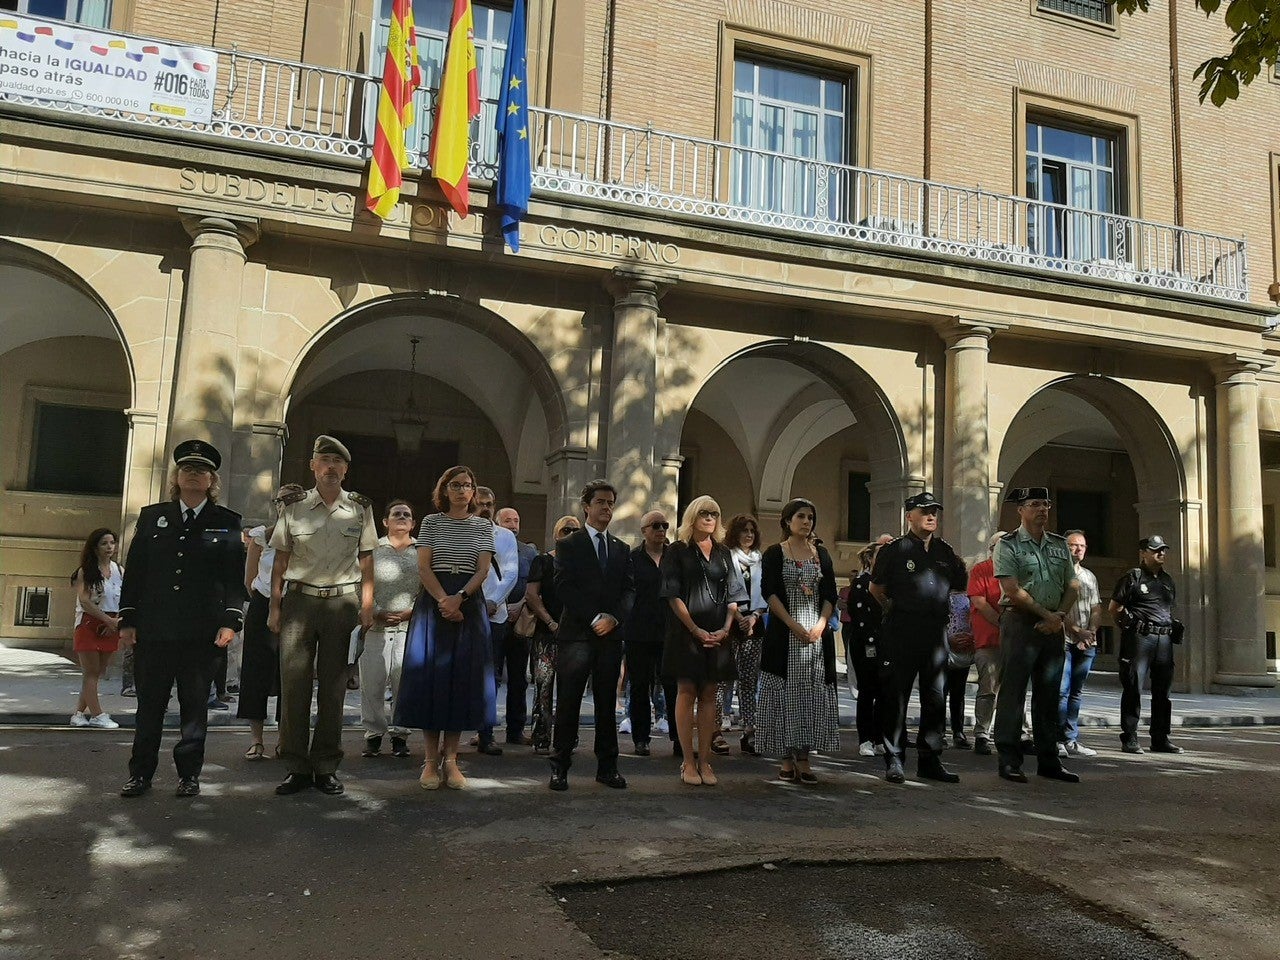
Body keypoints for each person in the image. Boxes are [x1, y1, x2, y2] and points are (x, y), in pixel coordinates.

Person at [118, 440, 246, 798]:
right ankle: (140, 774)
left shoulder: (226, 522)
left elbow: (235, 578)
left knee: (193, 710)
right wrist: (128, 619)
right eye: (187, 469)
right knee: (150, 708)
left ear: (211, 481)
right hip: (155, 630)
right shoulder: (152, 516)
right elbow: (136, 573)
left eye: (201, 470)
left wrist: (231, 621)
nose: (193, 474)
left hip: (201, 633)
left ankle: (189, 775)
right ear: (177, 477)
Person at [269, 435, 377, 797]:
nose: (331, 467)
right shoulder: (294, 508)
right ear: (313, 467)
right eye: (324, 460)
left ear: (346, 469)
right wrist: (274, 605)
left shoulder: (360, 509)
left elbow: (367, 562)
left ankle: (326, 765)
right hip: (299, 602)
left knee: (333, 690)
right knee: (294, 688)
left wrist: (366, 605)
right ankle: (296, 767)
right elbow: (281, 562)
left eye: (337, 462)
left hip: (342, 604)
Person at [395, 466, 497, 790]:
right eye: (455, 484)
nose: (462, 490)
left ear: (473, 490)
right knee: (431, 680)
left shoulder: (483, 526)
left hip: (468, 600)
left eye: (467, 485)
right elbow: (423, 566)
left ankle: (451, 761)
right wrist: (443, 600)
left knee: (460, 680)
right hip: (434, 600)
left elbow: (483, 570)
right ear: (444, 489)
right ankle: (428, 761)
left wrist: (460, 598)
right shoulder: (431, 522)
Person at [870, 492, 968, 785]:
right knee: (896, 695)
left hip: (935, 633)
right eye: (924, 511)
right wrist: (896, 611)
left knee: (936, 697)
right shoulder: (895, 550)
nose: (930, 516)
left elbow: (958, 587)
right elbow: (876, 590)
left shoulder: (945, 552)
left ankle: (930, 759)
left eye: (934, 511)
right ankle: (895, 758)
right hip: (901, 631)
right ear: (908, 515)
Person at [549, 479, 635, 792]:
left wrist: (613, 618)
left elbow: (629, 590)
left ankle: (608, 767)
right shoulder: (569, 544)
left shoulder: (621, 548)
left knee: (605, 703)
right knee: (569, 702)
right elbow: (563, 586)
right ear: (587, 506)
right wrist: (594, 616)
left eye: (611, 502)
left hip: (610, 638)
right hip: (576, 636)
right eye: (601, 502)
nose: (607, 508)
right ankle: (559, 766)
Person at [993, 486, 1080, 784]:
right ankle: (1009, 759)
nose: (1042, 509)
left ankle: (1049, 760)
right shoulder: (1009, 545)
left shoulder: (1059, 545)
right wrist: (1047, 616)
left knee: (1049, 695)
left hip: (1053, 626)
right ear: (1021, 510)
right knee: (1013, 694)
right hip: (1020, 624)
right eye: (1034, 504)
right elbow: (1012, 589)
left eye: (1046, 503)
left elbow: (1073, 585)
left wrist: (1058, 617)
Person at [661, 496, 747, 786]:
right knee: (686, 691)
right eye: (704, 513)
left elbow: (735, 596)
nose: (709, 518)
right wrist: (695, 629)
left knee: (710, 693)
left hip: (718, 632)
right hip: (686, 631)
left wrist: (725, 628)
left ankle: (706, 761)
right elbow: (672, 595)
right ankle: (687, 761)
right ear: (692, 516)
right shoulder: (677, 550)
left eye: (714, 513)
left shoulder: (724, 553)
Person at [757, 498, 840, 784]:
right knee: (784, 694)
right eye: (801, 516)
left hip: (815, 635)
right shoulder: (774, 553)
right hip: (785, 632)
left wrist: (820, 624)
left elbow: (831, 593)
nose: (806, 522)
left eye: (810, 517)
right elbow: (769, 593)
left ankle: (804, 756)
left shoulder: (822, 555)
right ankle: (784, 756)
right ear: (787, 521)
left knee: (810, 694)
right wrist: (792, 625)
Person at [238, 483, 305, 760]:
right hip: (263, 603)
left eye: (292, 500)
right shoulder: (261, 536)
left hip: (297, 604)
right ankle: (256, 739)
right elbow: (248, 578)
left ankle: (284, 738)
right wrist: (267, 602)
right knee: (256, 669)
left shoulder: (308, 536)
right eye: (281, 500)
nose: (285, 504)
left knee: (291, 672)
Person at [1111, 535, 1183, 755]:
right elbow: (1114, 608)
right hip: (1140, 639)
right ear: (1143, 553)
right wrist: (1128, 627)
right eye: (1155, 550)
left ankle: (1160, 738)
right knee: (1133, 687)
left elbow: (1167, 609)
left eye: (1163, 550)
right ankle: (1130, 737)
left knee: (1163, 691)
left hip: (1163, 640)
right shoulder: (1132, 577)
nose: (1161, 553)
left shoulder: (1167, 580)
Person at [359, 499, 419, 759]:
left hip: (409, 626)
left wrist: (412, 613)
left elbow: (427, 587)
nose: (402, 517)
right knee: (371, 684)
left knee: (403, 684)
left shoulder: (422, 550)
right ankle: (373, 735)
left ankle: (400, 735)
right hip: (376, 626)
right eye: (396, 514)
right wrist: (374, 612)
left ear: (413, 523)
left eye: (407, 514)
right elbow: (360, 583)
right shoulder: (372, 549)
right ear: (385, 521)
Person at [525, 515, 580, 753]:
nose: (570, 534)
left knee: (571, 690)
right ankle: (541, 736)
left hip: (575, 636)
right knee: (543, 688)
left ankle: (568, 738)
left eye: (576, 531)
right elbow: (531, 595)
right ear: (557, 534)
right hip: (546, 635)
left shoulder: (584, 565)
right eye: (566, 530)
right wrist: (550, 622)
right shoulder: (542, 561)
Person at [474, 487, 518, 756]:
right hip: (464, 611)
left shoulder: (504, 537)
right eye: (480, 503)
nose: (485, 508)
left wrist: (493, 600)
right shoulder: (462, 531)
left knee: (490, 677)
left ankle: (486, 734)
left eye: (489, 503)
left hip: (494, 614)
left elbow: (511, 573)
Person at [624, 510, 670, 757]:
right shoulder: (632, 559)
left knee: (672, 684)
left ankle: (677, 737)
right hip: (638, 631)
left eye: (664, 525)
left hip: (670, 631)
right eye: (655, 526)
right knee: (640, 687)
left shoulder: (675, 557)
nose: (661, 530)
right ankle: (641, 739)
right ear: (644, 531)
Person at [842, 535, 892, 756]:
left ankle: (880, 737)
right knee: (867, 691)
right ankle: (865, 739)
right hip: (866, 643)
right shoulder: (862, 583)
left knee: (884, 692)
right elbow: (858, 614)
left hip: (886, 643)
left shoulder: (892, 584)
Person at [69, 528, 124, 729]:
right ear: (94, 547)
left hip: (112, 622)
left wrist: (116, 621)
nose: (109, 547)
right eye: (104, 543)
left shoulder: (119, 570)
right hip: (89, 622)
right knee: (90, 672)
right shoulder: (86, 571)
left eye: (112, 543)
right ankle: (98, 714)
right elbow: (85, 602)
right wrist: (107, 621)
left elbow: (125, 598)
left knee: (99, 671)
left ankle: (77, 713)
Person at [723, 513, 767, 755]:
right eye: (744, 531)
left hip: (755, 623)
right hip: (730, 622)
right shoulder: (726, 557)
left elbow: (765, 594)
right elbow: (722, 591)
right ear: (735, 533)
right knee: (723, 679)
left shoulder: (760, 559)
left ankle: (750, 730)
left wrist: (753, 617)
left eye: (752, 531)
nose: (749, 535)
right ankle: (716, 729)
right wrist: (740, 618)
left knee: (749, 680)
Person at [1059, 529, 1102, 758]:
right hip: (1064, 640)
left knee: (1076, 692)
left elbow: (1096, 608)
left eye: (1082, 546)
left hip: (1087, 643)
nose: (1078, 550)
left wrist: (1091, 632)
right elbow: (1055, 611)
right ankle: (1057, 739)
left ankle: (1071, 738)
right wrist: (1077, 631)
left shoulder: (1089, 577)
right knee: (1061, 691)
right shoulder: (1058, 575)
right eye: (1073, 545)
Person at [496, 506, 537, 745]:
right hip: (493, 618)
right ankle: (485, 732)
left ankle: (515, 730)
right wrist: (500, 605)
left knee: (519, 678)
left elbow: (533, 586)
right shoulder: (488, 546)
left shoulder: (529, 553)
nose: (512, 525)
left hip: (519, 620)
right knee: (489, 677)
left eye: (516, 520)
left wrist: (520, 605)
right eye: (507, 520)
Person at [967, 532, 1007, 756]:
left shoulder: (1016, 570)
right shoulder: (981, 570)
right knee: (988, 689)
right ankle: (982, 734)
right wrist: (1004, 623)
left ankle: (1020, 734)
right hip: (989, 641)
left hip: (1014, 642)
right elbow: (980, 603)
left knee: (1014, 689)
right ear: (992, 548)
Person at [943, 589, 975, 749]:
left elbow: (975, 619)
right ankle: (939, 731)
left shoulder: (969, 597)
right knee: (940, 692)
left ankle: (958, 732)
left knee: (958, 693)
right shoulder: (941, 596)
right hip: (943, 649)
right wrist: (947, 640)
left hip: (963, 651)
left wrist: (972, 638)